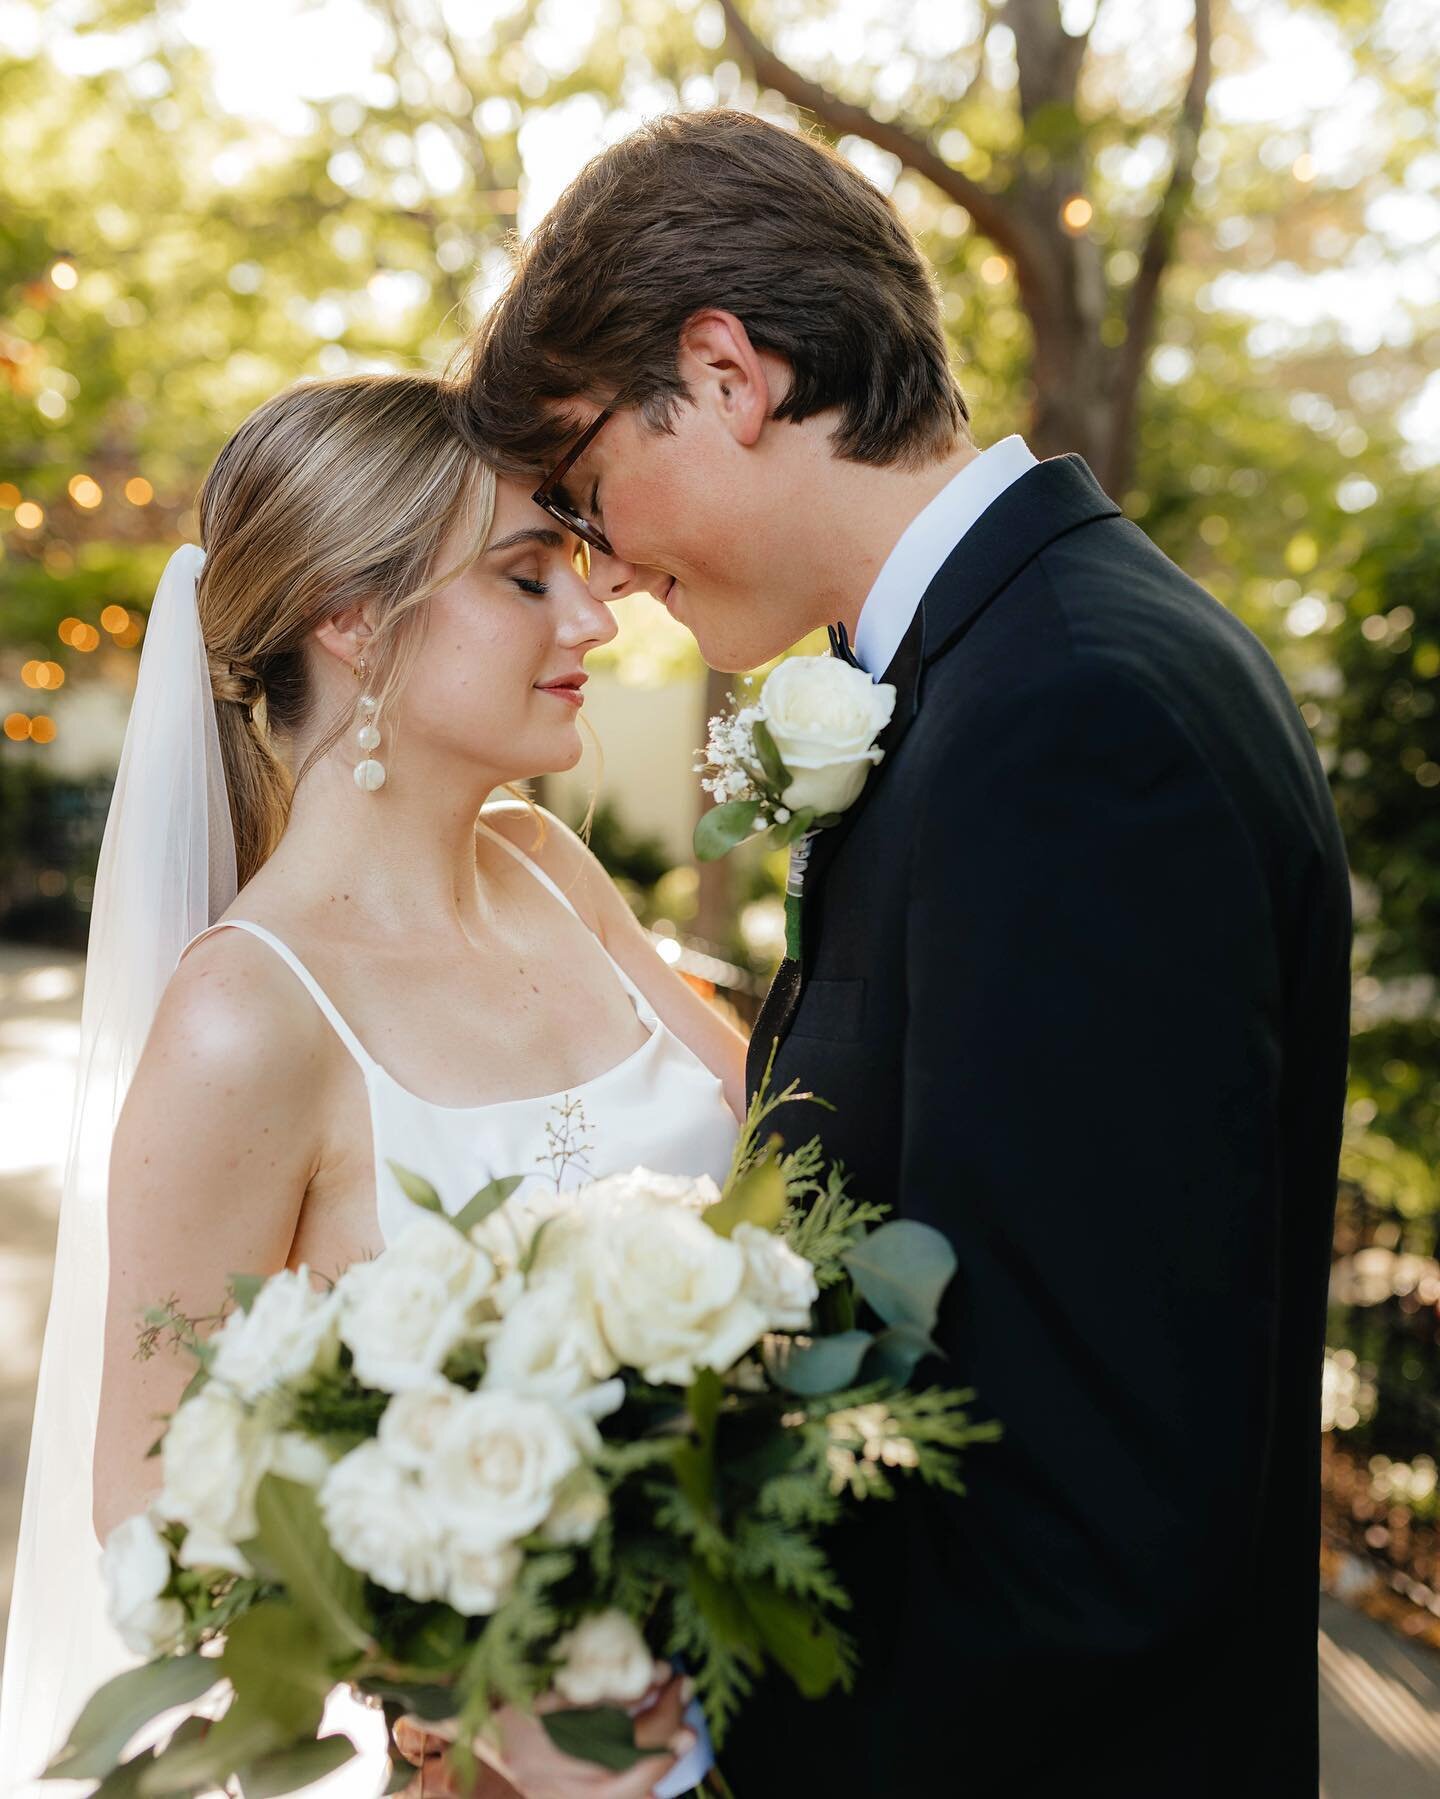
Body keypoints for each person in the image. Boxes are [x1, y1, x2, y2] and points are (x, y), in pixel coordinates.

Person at [458, 108, 1353, 1794]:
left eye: (587, 488)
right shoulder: (1003, 673)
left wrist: (680, 1741)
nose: (607, 566)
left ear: (726, 375)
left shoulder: (1073, 726)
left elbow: (1091, 1511)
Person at [0, 371, 741, 1798]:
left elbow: (786, 1152)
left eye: (580, 571)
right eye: (530, 576)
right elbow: (151, 1507)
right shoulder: (245, 1017)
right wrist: (448, 1672)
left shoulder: (549, 865)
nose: (595, 617)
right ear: (351, 617)